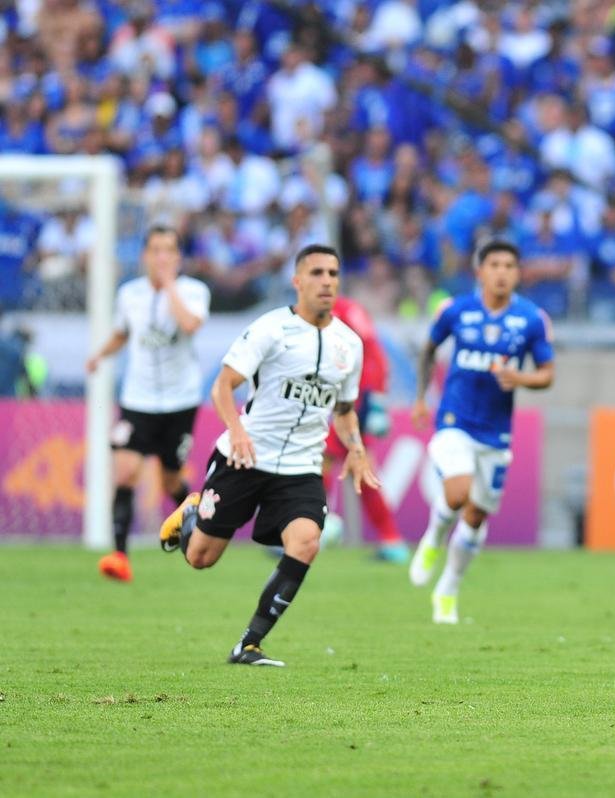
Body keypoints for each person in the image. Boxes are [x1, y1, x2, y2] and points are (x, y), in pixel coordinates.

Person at [158, 244, 379, 666]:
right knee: (200, 558)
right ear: (297, 281)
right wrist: (237, 430)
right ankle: (191, 511)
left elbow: (344, 409)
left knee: (306, 542)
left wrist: (356, 448)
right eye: (316, 273)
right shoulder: (271, 329)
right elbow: (223, 386)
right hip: (245, 457)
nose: (326, 281)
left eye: (333, 273)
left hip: (301, 466)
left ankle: (249, 643)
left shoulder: (349, 343)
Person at [408, 240, 555, 624]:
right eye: (494, 265)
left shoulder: (531, 318)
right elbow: (428, 349)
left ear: (517, 273)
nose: (502, 272)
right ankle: (433, 537)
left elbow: (547, 374)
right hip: (454, 419)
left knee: (476, 517)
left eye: (509, 265)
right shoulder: (456, 310)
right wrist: (421, 398)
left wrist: (520, 378)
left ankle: (448, 588)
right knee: (457, 493)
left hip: (495, 433)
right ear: (480, 272)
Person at [85, 226, 210, 582]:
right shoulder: (129, 295)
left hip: (180, 401)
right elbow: (123, 332)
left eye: (168, 250)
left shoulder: (194, 291)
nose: (161, 257)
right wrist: (100, 355)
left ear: (178, 257)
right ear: (144, 255)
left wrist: (169, 285)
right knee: (125, 472)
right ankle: (119, 556)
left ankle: (199, 528)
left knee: (170, 481)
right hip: (137, 400)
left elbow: (190, 325)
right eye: (155, 250)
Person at [323, 294, 408, 562]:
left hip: (352, 401)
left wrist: (377, 401)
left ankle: (313, 527)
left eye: (329, 275)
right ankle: (391, 539)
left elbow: (374, 354)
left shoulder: (348, 311)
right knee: (354, 467)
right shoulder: (304, 313)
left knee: (333, 460)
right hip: (325, 397)